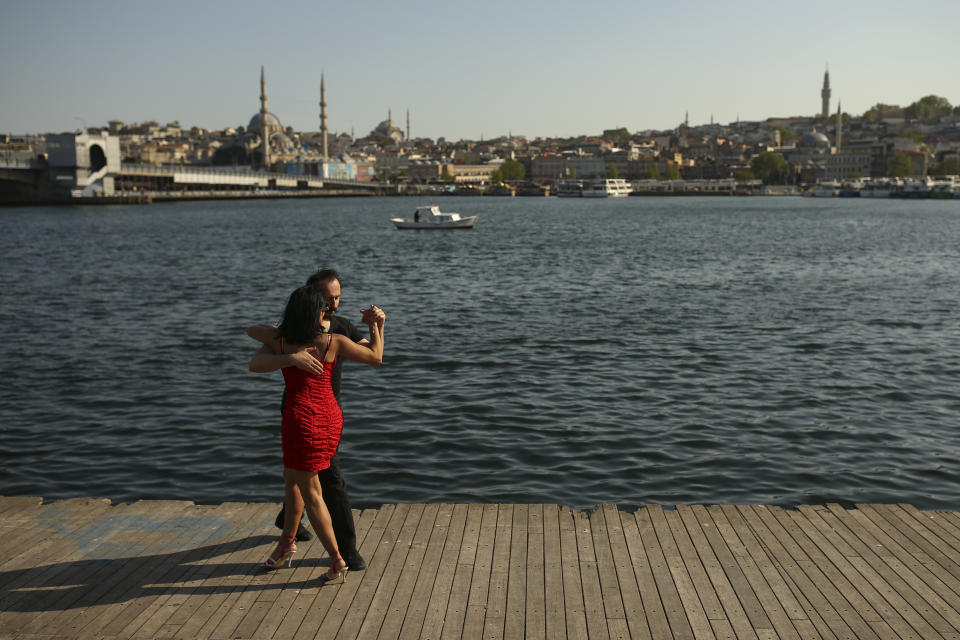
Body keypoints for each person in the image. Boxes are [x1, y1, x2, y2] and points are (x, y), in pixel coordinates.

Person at [247, 269, 381, 571]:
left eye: (337, 298)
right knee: (295, 479)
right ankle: (289, 537)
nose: (333, 304)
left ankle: (343, 553)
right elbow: (256, 352)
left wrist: (373, 326)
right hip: (299, 413)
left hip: (320, 416)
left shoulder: (337, 329)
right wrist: (290, 356)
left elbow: (372, 354)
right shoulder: (293, 335)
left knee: (323, 483)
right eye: (327, 299)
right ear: (313, 299)